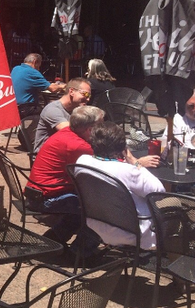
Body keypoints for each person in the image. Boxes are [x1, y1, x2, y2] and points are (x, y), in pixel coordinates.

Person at [27, 106, 105, 254]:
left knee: (82, 206)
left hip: (38, 192)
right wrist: (136, 161)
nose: (104, 128)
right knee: (100, 212)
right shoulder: (78, 146)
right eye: (101, 124)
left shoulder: (66, 133)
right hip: (48, 198)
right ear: (90, 129)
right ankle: (80, 253)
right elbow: (107, 164)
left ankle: (53, 241)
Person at [76, 122, 164, 250]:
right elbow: (159, 192)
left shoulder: (81, 161)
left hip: (96, 225)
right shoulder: (127, 171)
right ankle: (175, 256)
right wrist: (135, 162)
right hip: (132, 232)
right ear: (122, 147)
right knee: (174, 204)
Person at [33, 77, 92, 153]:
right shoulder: (52, 109)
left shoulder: (77, 110)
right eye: (85, 94)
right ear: (71, 91)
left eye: (89, 96)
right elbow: (69, 131)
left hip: (66, 151)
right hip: (47, 155)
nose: (88, 99)